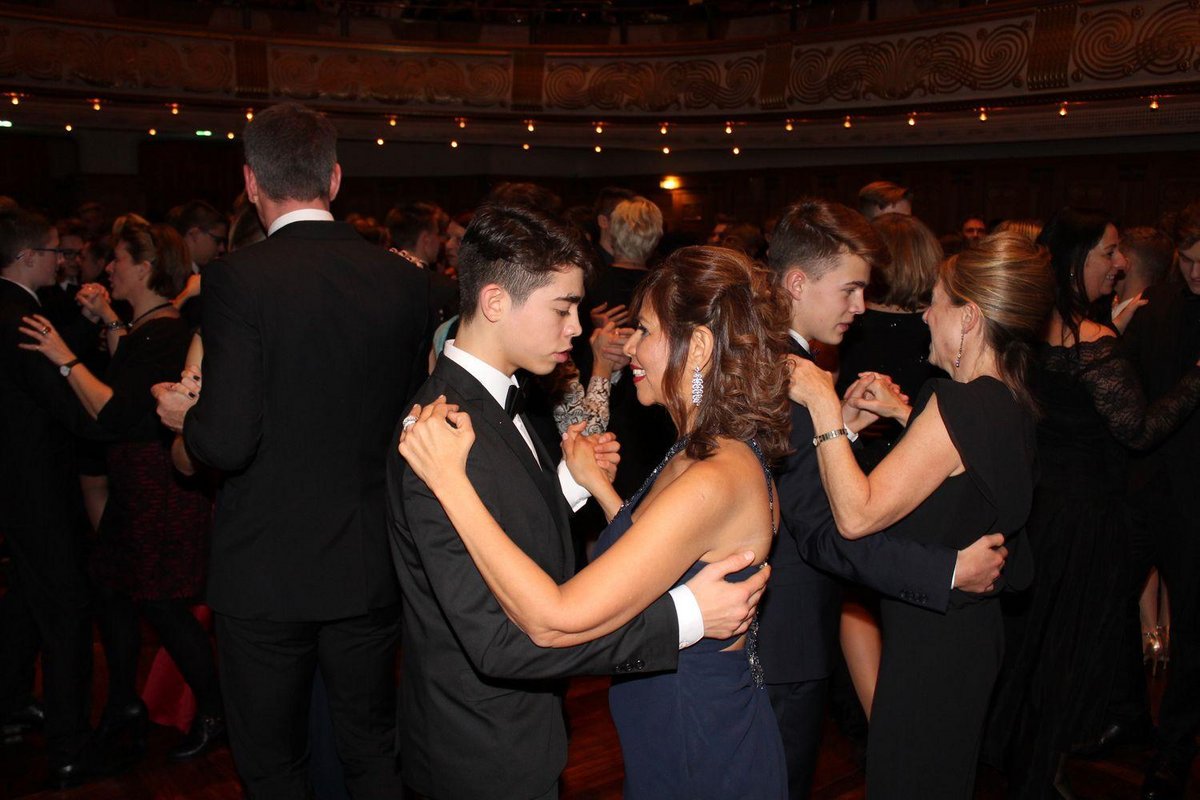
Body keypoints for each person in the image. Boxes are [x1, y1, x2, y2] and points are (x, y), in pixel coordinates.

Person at [386, 204, 770, 800]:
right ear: (495, 303)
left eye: (644, 330)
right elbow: (500, 642)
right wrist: (686, 616)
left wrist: (568, 485)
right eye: (563, 307)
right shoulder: (438, 438)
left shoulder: (507, 404)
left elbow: (517, 527)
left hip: (585, 728)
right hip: (480, 749)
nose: (578, 328)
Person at [154, 102, 436, 798]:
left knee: (273, 762)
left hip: (266, 567)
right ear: (334, 179)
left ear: (251, 182)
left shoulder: (238, 277)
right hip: (368, 558)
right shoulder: (406, 280)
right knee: (371, 750)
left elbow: (227, 440)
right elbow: (411, 422)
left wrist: (184, 423)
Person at [789, 231, 1054, 798]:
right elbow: (968, 472)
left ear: (969, 318)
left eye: (935, 302)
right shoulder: (1009, 397)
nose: (925, 316)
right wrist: (903, 415)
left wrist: (823, 406)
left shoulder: (956, 403)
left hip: (933, 648)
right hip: (967, 637)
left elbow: (856, 517)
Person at [986, 207, 1200, 799]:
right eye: (1109, 251)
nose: (1120, 262)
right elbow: (1138, 430)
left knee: (1036, 644)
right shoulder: (1095, 343)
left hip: (1040, 511)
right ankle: (1042, 771)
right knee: (1071, 652)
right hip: (1088, 519)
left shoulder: (1029, 334)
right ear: (1078, 259)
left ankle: (1026, 760)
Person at [21, 220, 223, 765]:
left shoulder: (168, 333)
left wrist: (64, 357)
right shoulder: (148, 328)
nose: (109, 268)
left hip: (160, 486)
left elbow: (113, 410)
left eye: (120, 260)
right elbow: (125, 375)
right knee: (111, 589)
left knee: (161, 603)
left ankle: (213, 711)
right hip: (134, 483)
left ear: (147, 268)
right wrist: (110, 321)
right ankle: (124, 703)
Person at [0, 207, 95, 788]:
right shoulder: (24, 322)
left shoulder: (15, 311)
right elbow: (71, 411)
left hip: (15, 489)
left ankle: (11, 702)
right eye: (56, 251)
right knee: (65, 613)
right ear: (29, 256)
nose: (63, 260)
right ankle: (69, 745)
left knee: (24, 601)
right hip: (39, 490)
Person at [1121, 202, 1200, 800]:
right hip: (1149, 489)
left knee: (1192, 630)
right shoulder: (1159, 308)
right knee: (1108, 603)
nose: (1195, 272)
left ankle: (1174, 750)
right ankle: (1125, 722)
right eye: (1189, 261)